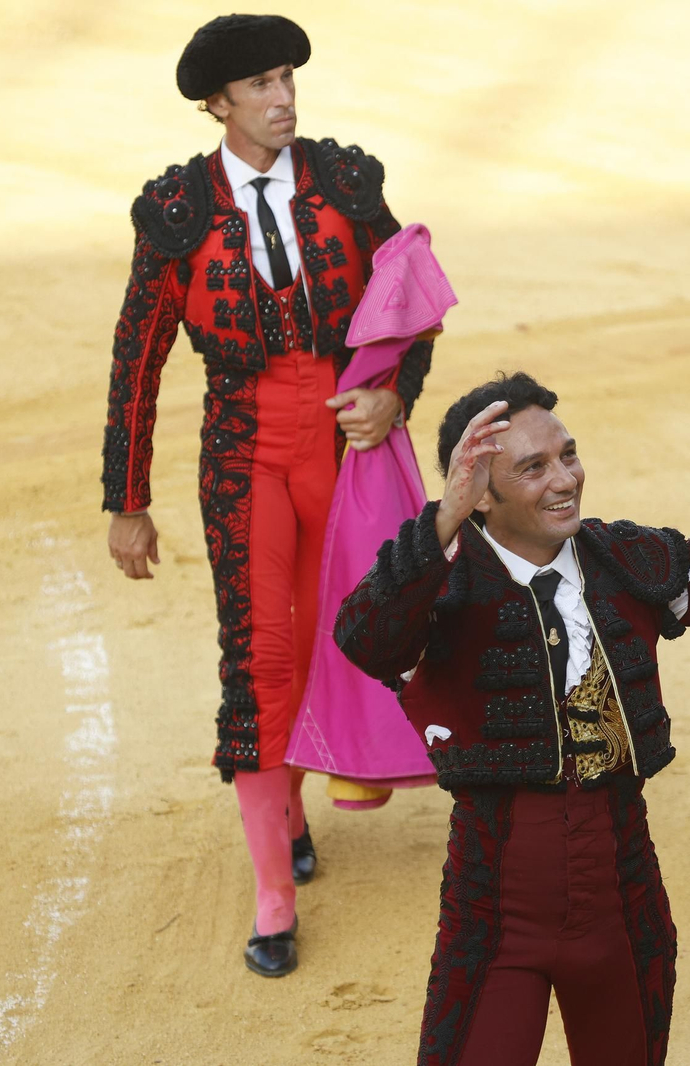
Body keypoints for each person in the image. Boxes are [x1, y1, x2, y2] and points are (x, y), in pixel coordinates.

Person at [334, 374, 690, 1065]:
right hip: (493, 920)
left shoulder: (627, 561)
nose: (564, 478)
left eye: (568, 454)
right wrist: (441, 521)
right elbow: (366, 640)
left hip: (624, 903)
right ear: (480, 493)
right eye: (532, 467)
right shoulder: (441, 583)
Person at [100, 13, 437, 977]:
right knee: (261, 659)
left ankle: (298, 805)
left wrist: (388, 392)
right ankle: (274, 892)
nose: (284, 98)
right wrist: (127, 498)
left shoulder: (344, 183)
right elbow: (138, 356)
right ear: (218, 104)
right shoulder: (176, 211)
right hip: (242, 452)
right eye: (261, 86)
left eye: (287, 78)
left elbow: (407, 306)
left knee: (345, 625)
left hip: (341, 446)